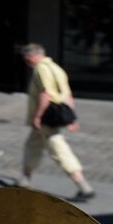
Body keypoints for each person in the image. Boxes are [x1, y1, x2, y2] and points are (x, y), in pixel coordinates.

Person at [18, 44, 95, 201]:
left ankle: (83, 185)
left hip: (47, 117)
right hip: (55, 115)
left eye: (26, 58)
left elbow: (45, 94)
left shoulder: (41, 69)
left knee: (59, 148)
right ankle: (25, 179)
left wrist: (37, 117)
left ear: (30, 57)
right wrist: (72, 118)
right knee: (32, 145)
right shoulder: (56, 68)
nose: (26, 61)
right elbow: (68, 95)